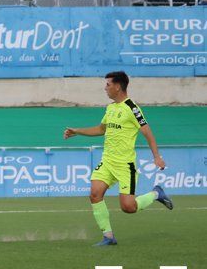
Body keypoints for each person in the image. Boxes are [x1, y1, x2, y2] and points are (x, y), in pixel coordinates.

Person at [63, 71, 173, 246]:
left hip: (125, 165)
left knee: (128, 208)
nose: (105, 88)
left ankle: (156, 193)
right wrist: (77, 131)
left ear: (118, 87)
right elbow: (101, 129)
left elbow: (147, 132)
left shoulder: (132, 108)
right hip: (107, 162)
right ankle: (108, 236)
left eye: (108, 85)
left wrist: (157, 157)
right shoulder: (111, 108)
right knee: (94, 194)